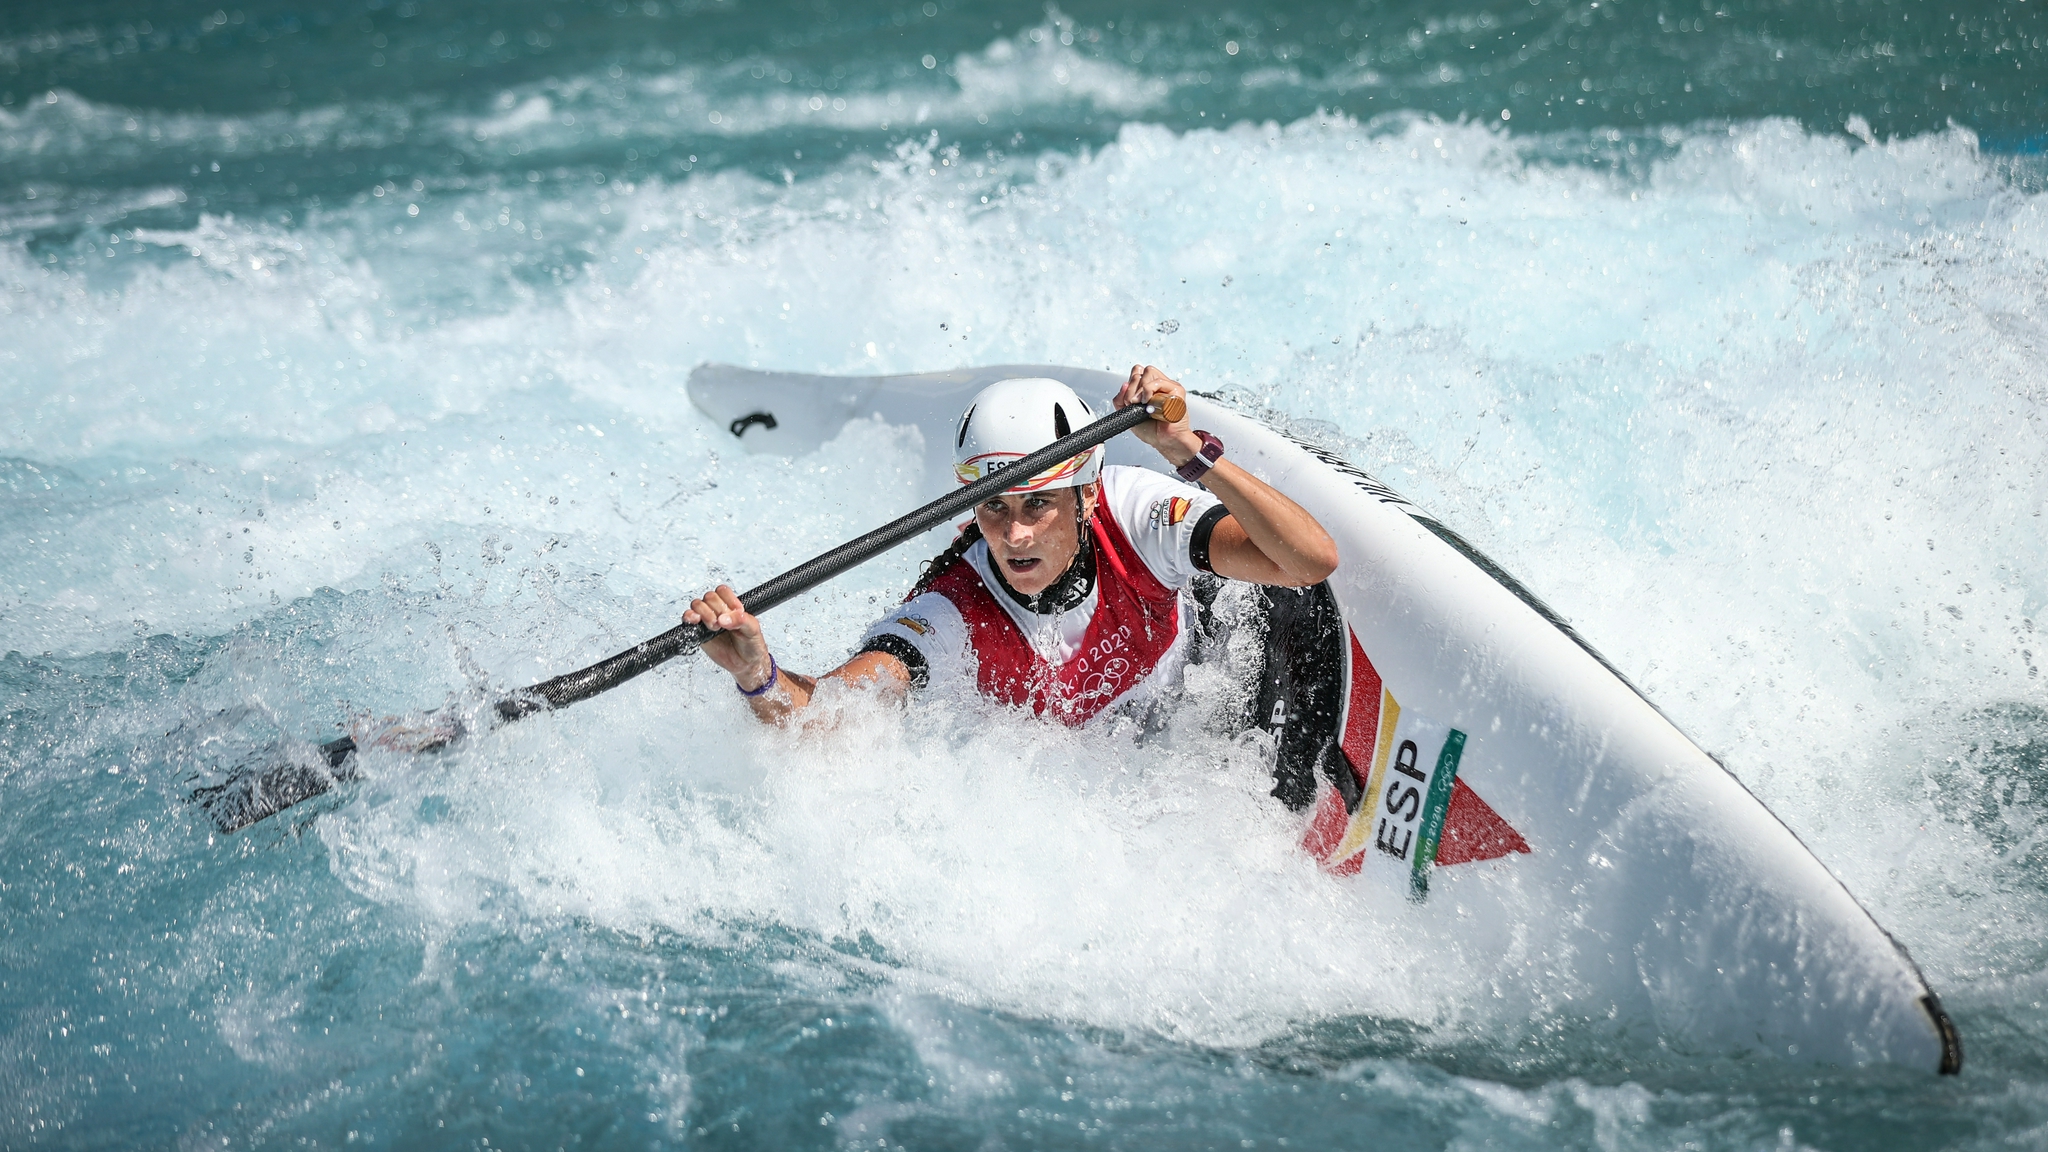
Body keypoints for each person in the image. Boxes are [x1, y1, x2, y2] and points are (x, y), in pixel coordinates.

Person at [683, 365, 1339, 725]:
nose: (1015, 534)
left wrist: (1187, 452)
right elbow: (824, 721)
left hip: (1212, 688)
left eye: (1037, 505)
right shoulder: (950, 612)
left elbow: (1310, 562)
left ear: (1085, 497)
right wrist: (756, 675)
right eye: (994, 506)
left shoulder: (1135, 509)